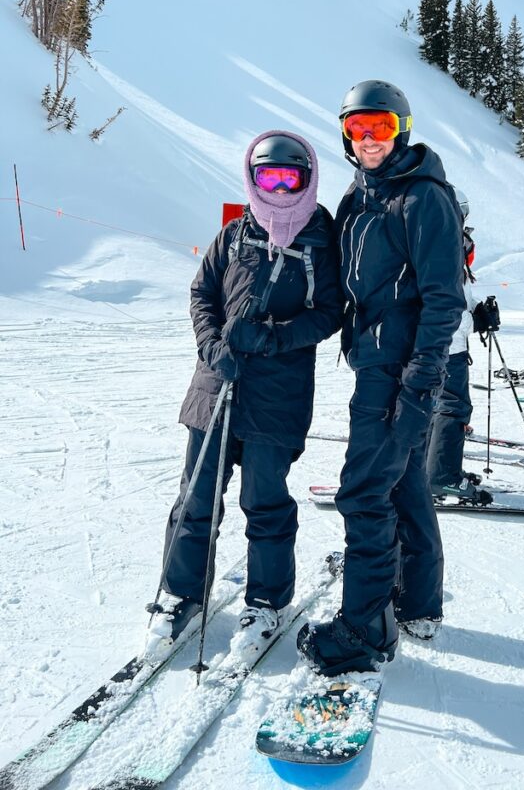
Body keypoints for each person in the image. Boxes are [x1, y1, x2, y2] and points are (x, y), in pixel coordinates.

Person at [147, 132, 343, 651]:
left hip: (278, 395)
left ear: (307, 179)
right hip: (216, 387)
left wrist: (277, 337)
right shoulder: (236, 233)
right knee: (196, 498)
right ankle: (179, 594)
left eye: (289, 178)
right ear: (252, 179)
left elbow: (329, 313)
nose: (278, 188)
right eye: (267, 177)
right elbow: (202, 293)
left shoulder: (323, 240)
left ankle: (267, 603)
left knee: (265, 501)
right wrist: (212, 344)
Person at [297, 80, 465, 675]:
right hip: (374, 356)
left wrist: (419, 385)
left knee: (364, 490)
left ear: (403, 130)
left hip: (400, 368)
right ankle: (416, 602)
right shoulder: (360, 195)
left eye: (382, 128)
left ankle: (364, 631)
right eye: (359, 128)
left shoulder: (423, 199)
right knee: (400, 483)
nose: (369, 139)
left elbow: (445, 302)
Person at [426, 189, 496, 507]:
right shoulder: (444, 244)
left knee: (430, 406)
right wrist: (472, 320)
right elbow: (446, 302)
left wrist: (477, 312)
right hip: (445, 343)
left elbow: (459, 294)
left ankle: (429, 470)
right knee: (451, 407)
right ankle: (442, 478)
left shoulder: (428, 237)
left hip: (432, 342)